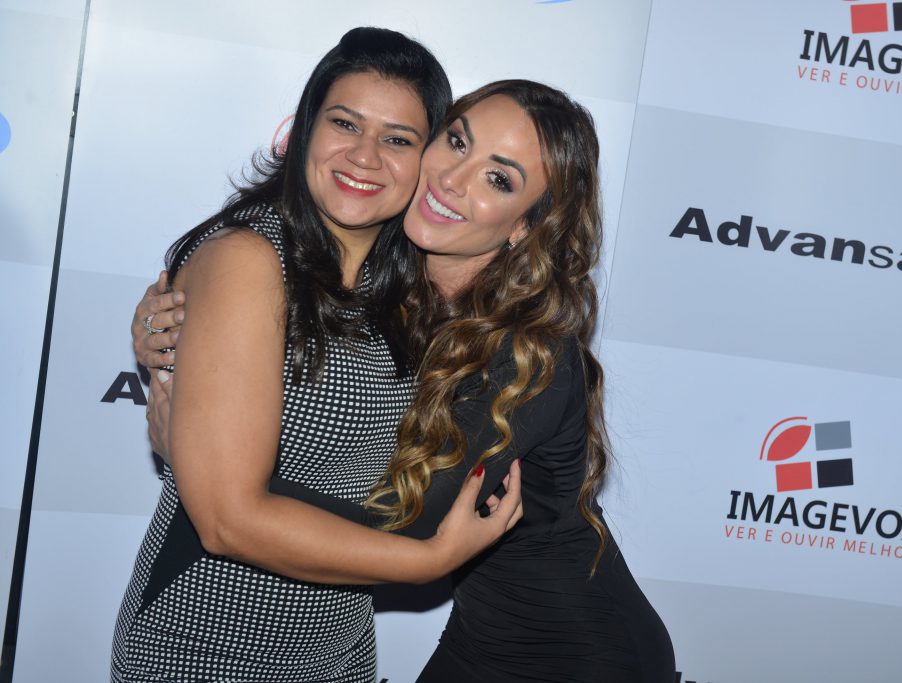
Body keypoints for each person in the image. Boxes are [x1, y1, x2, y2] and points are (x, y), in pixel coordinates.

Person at [137, 80, 676, 681]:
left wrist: (204, 462)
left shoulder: (529, 355)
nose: (452, 179)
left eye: (498, 179)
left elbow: (407, 524)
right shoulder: (392, 281)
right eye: (457, 143)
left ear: (525, 227)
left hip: (581, 652)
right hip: (478, 637)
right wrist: (172, 326)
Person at [111, 28, 522, 683]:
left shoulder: (408, 282)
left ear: (425, 163)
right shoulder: (249, 260)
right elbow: (225, 520)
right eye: (344, 123)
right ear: (305, 127)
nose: (365, 156)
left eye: (398, 139)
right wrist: (429, 560)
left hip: (341, 649)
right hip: (206, 650)